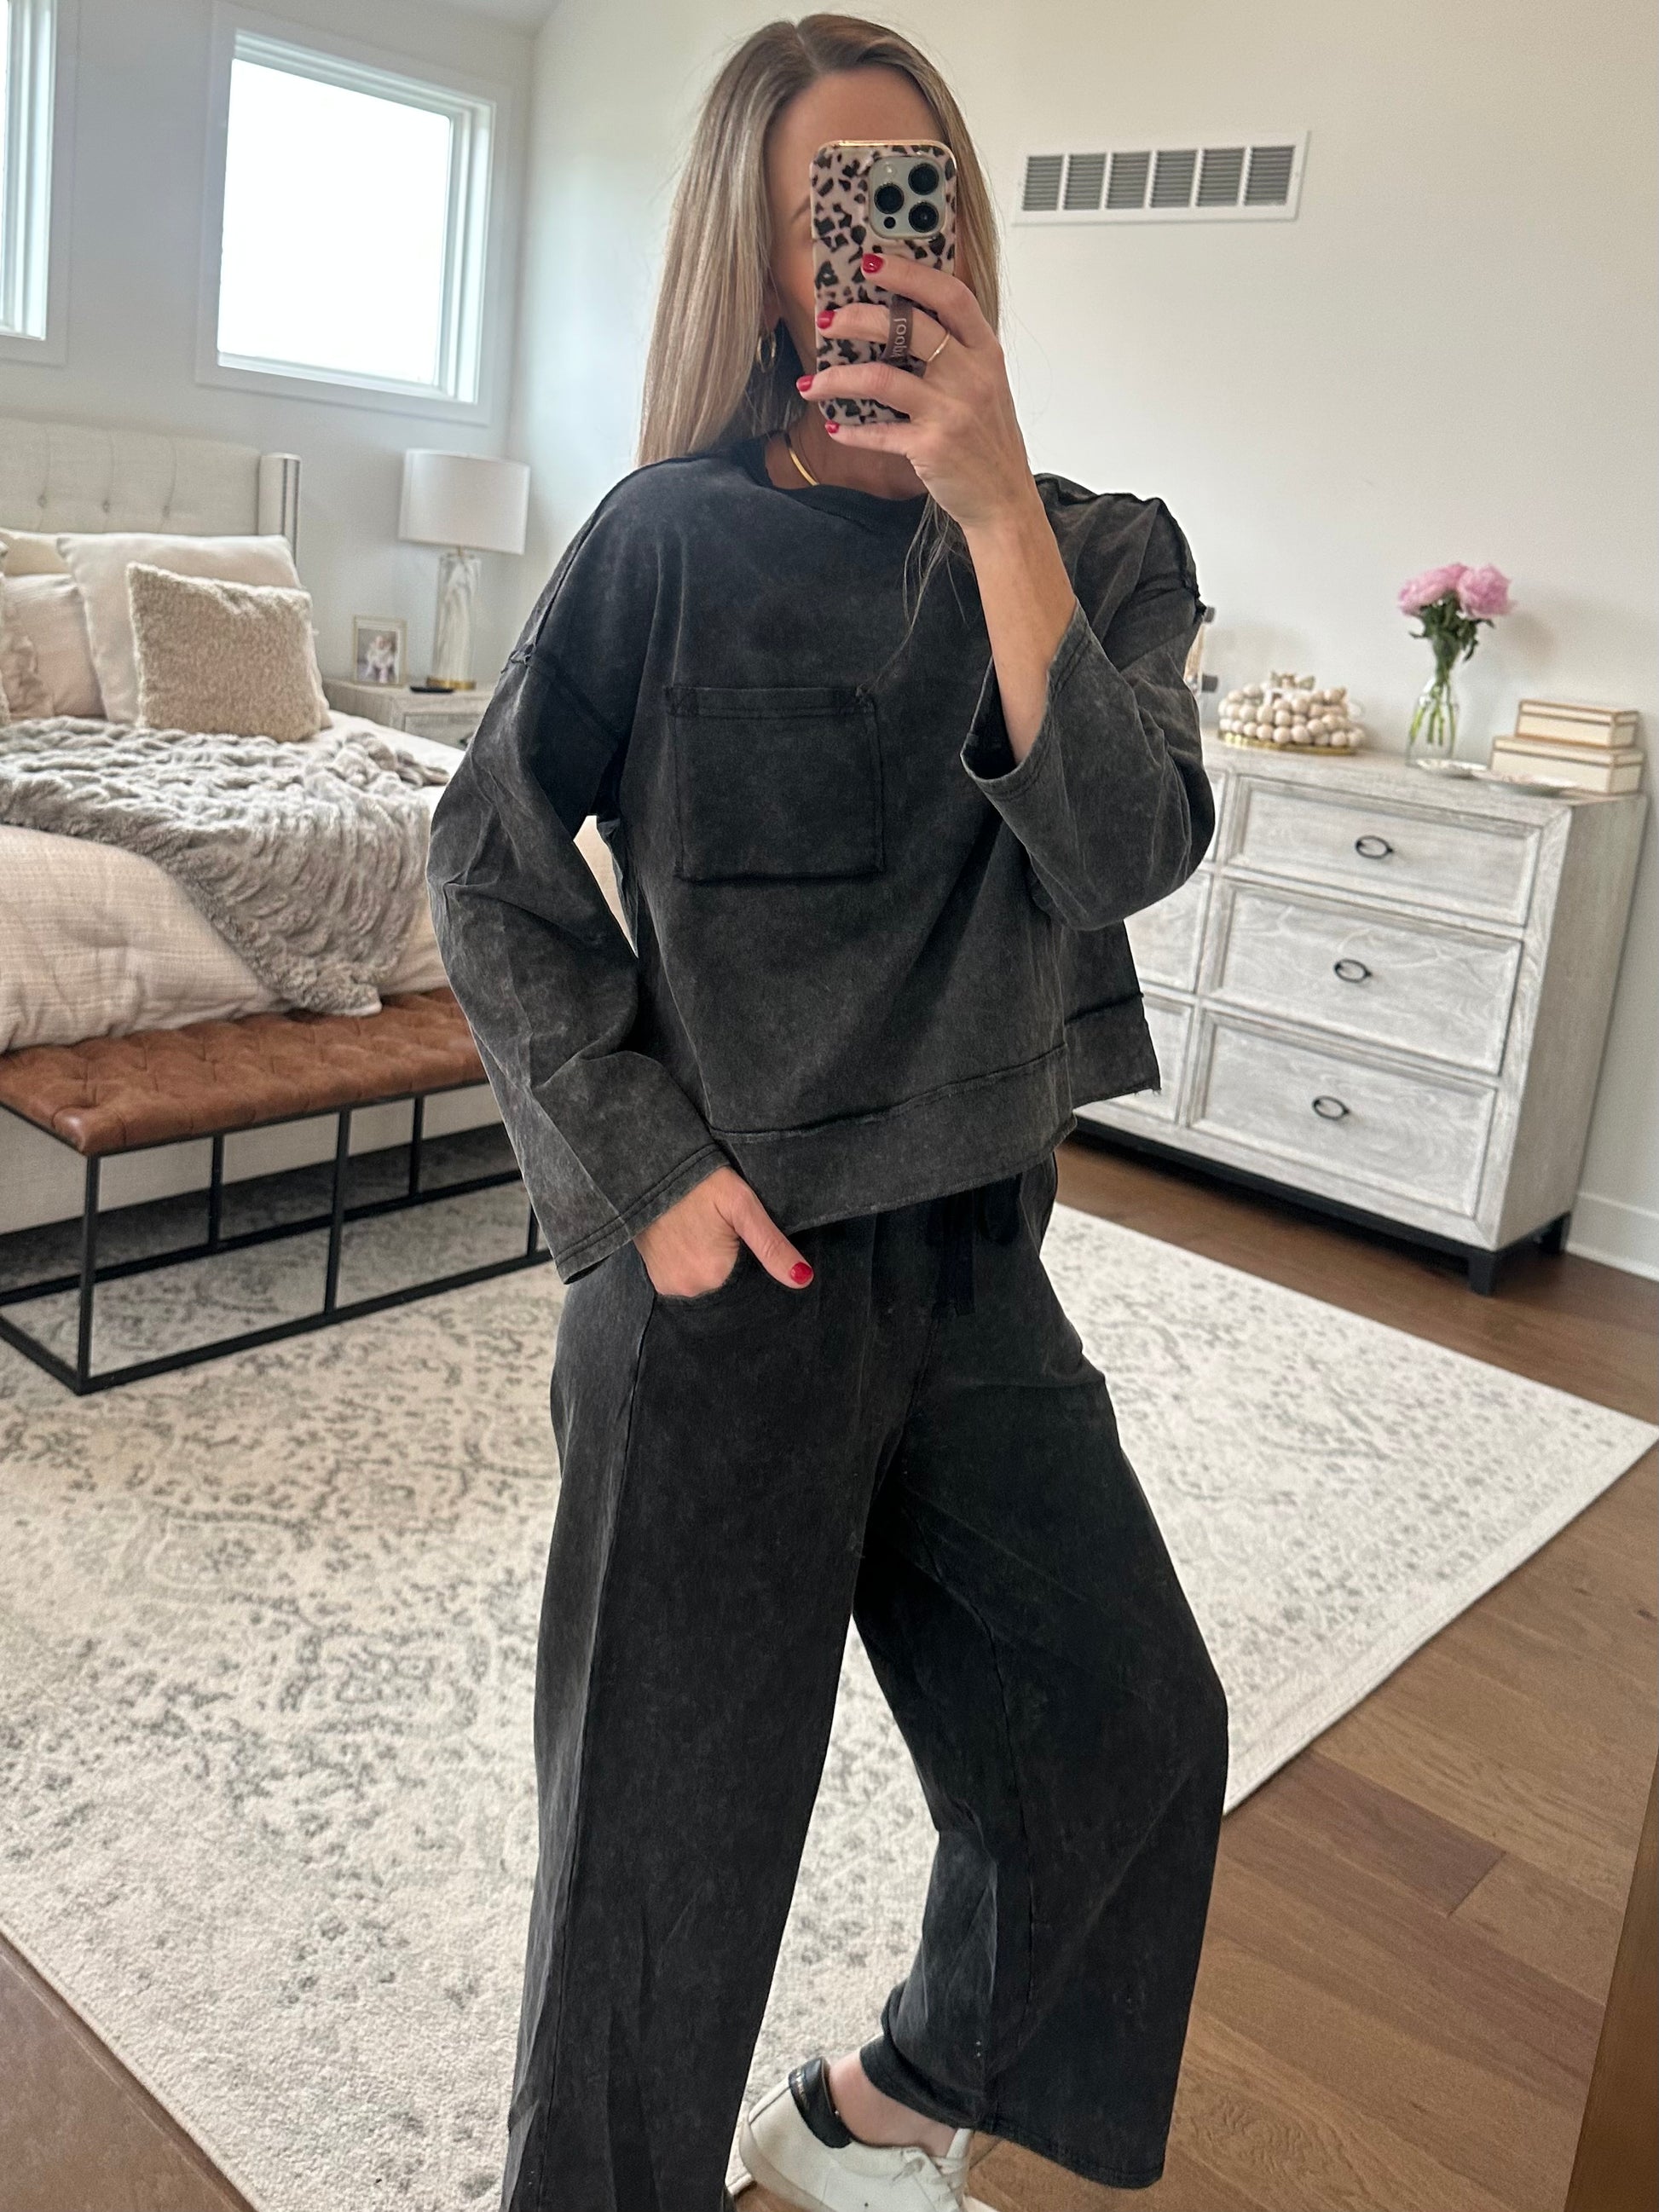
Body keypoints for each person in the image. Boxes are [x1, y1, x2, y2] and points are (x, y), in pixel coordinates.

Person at [426, 15, 1229, 2211]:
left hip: (975, 1265)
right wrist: (647, 1177)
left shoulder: (1103, 550)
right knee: (656, 1878)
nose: (878, 250)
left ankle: (877, 2111)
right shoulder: (665, 540)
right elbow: (485, 860)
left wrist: (996, 506)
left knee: (1127, 1741)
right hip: (725, 1292)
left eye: (912, 197)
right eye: (827, 216)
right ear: (763, 261)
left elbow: (1125, 851)